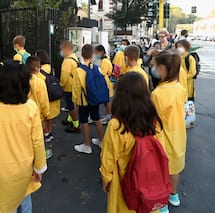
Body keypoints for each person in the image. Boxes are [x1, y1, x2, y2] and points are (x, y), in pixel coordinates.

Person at [0, 60, 47, 213]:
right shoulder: (30, 108)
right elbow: (38, 142)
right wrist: (39, 168)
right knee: (25, 201)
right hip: (24, 170)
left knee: (5, 206)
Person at [100, 72, 164, 213]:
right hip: (148, 178)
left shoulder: (117, 125)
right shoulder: (153, 120)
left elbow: (108, 157)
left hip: (124, 181)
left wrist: (106, 178)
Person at [151, 51, 187, 213]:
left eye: (156, 66)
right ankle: (173, 195)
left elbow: (154, 120)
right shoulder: (179, 87)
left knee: (161, 173)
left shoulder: (158, 93)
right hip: (179, 136)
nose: (154, 68)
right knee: (175, 169)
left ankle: (162, 203)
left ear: (163, 68)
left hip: (163, 138)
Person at [72, 44, 104, 154]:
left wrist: (75, 102)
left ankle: (87, 145)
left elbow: (76, 89)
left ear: (81, 54)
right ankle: (101, 141)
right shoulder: (96, 68)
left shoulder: (78, 71)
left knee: (84, 121)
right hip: (94, 99)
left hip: (83, 101)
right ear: (92, 55)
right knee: (97, 119)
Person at [26, 56, 53, 159]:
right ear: (38, 68)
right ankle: (40, 155)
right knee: (38, 137)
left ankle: (28, 153)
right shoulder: (39, 82)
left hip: (24, 113)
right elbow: (44, 102)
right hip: (37, 115)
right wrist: (46, 114)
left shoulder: (22, 80)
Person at [35, 50, 61, 142]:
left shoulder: (39, 72)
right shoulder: (50, 68)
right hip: (53, 96)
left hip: (46, 97)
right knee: (50, 117)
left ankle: (45, 133)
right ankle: (50, 132)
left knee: (44, 117)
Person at [60, 40, 80, 133]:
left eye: (62, 49)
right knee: (73, 105)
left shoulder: (67, 61)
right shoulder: (74, 57)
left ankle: (75, 125)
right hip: (75, 85)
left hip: (69, 87)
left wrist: (61, 85)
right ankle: (70, 119)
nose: (61, 51)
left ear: (66, 49)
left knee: (71, 106)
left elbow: (64, 75)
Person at [93, 45, 113, 124]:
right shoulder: (105, 59)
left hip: (103, 83)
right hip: (104, 82)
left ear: (101, 52)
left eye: (96, 52)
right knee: (105, 101)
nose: (95, 54)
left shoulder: (104, 61)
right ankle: (108, 116)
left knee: (105, 101)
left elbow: (102, 72)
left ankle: (108, 117)